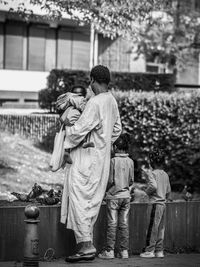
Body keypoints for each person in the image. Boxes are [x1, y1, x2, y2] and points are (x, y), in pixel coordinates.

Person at [60, 65, 122, 262]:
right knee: (91, 199)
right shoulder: (111, 100)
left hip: (85, 159)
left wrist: (66, 137)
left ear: (93, 79)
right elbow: (117, 129)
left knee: (79, 197)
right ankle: (86, 245)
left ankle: (86, 246)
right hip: (101, 159)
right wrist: (102, 142)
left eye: (90, 81)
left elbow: (79, 129)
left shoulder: (95, 102)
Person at [98, 133, 134, 259]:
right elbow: (131, 181)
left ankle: (110, 251)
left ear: (116, 148)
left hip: (113, 197)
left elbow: (110, 180)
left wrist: (105, 192)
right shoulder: (130, 161)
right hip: (126, 197)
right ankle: (124, 251)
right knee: (124, 224)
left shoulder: (112, 161)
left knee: (112, 224)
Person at [140, 148, 171, 258]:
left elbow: (153, 186)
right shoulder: (165, 175)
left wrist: (146, 192)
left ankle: (149, 250)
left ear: (151, 162)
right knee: (160, 229)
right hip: (163, 204)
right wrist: (163, 196)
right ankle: (159, 250)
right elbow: (168, 191)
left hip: (154, 204)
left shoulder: (152, 174)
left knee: (152, 228)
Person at [55, 85, 95, 165]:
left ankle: (66, 152)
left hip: (66, 120)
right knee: (81, 129)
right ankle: (85, 142)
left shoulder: (66, 99)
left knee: (68, 135)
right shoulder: (78, 99)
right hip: (73, 119)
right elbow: (83, 108)